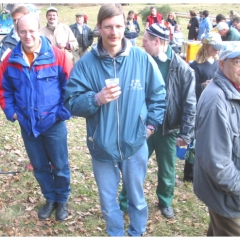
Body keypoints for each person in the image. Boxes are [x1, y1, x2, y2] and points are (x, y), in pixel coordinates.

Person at [64, 3, 167, 237]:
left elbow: (159, 96)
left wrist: (149, 128)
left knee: (137, 199)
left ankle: (137, 233)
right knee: (109, 203)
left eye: (119, 26)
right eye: (108, 26)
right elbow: (70, 102)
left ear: (125, 26)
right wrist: (97, 99)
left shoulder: (141, 59)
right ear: (99, 27)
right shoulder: (86, 64)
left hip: (135, 145)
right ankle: (116, 234)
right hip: (102, 147)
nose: (114, 32)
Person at [119, 23, 196, 219]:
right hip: (142, 126)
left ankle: (165, 201)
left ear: (157, 41)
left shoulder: (182, 68)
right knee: (133, 166)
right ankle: (125, 200)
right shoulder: (142, 61)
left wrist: (186, 133)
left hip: (168, 129)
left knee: (167, 169)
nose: (142, 44)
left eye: (145, 41)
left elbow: (189, 104)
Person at [0, 14, 72, 222]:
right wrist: (12, 112)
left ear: (39, 31)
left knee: (60, 165)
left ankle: (62, 200)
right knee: (39, 166)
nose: (28, 35)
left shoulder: (58, 56)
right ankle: (49, 199)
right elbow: (4, 90)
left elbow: (71, 90)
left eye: (32, 31)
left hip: (53, 123)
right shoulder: (10, 61)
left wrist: (61, 114)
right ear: (17, 32)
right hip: (27, 124)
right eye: (23, 31)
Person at [193, 42, 240, 236]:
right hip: (229, 197)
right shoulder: (216, 101)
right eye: (237, 62)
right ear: (222, 64)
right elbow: (216, 162)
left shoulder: (233, 89)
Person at [184, 32, 223, 182]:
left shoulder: (218, 63)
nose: (217, 51)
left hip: (214, 107)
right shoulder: (195, 66)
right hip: (198, 107)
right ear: (206, 47)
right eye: (215, 48)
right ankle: (190, 173)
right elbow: (188, 90)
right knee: (195, 141)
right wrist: (202, 86)